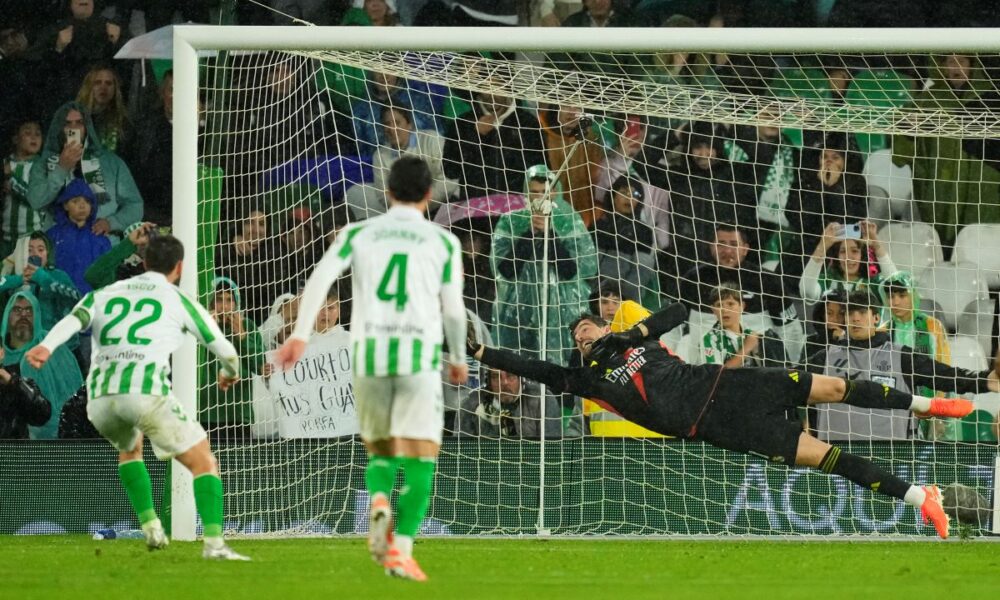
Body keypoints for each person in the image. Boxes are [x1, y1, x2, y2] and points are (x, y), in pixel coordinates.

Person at [468, 302, 1000, 539]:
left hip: (722, 382)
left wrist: (632, 334)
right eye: (580, 335)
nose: (586, 335)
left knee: (833, 386)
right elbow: (531, 366)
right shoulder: (582, 379)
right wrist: (485, 352)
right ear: (576, 348)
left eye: (591, 327)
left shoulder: (635, 339)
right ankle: (922, 498)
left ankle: (928, 405)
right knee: (825, 458)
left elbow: (677, 311)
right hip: (717, 427)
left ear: (604, 327)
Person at [275, 156, 468, 581]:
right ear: (429, 195)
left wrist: (300, 335)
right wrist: (457, 357)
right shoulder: (443, 242)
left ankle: (379, 500)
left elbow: (320, 279)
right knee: (421, 456)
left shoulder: (358, 232)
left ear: (387, 191)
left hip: (368, 354)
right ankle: (401, 549)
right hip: (416, 357)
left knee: (381, 449)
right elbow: (453, 310)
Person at [26, 235, 250, 560]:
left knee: (130, 449)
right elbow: (227, 352)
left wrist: (47, 346)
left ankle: (151, 528)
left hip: (100, 400)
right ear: (179, 267)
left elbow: (76, 320)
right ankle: (215, 545)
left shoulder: (106, 293)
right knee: (203, 461)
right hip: (145, 393)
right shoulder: (178, 299)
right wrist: (229, 374)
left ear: (143, 263)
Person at [805, 290, 987, 442]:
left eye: (861, 312)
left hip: (893, 458)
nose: (856, 319)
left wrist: (985, 381)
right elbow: (789, 384)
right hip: (836, 459)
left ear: (876, 317)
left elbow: (946, 376)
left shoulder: (902, 356)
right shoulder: (825, 358)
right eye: (850, 313)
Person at [490, 165, 597, 364]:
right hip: (521, 310)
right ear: (526, 193)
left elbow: (574, 270)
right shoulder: (511, 220)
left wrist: (550, 235)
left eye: (545, 192)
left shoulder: (568, 220)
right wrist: (530, 234)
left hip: (564, 308)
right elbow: (504, 269)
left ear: (555, 192)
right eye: (534, 192)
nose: (540, 198)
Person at [27, 102, 143, 235]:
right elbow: (35, 201)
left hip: (101, 244)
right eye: (67, 123)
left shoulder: (111, 162)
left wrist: (111, 222)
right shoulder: (43, 164)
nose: (74, 128)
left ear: (87, 127)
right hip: (59, 243)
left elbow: (135, 204)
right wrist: (61, 169)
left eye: (79, 123)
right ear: (58, 128)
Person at [1, 291, 82, 439]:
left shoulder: (52, 348)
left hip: (50, 446)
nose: (23, 315)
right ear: (7, 315)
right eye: (17, 310)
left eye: (29, 310)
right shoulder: (2, 356)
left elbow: (69, 400)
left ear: (37, 315)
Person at [199, 277, 267, 440]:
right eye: (219, 300)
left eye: (229, 300)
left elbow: (260, 366)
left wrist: (242, 336)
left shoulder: (248, 326)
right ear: (210, 303)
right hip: (205, 412)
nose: (224, 306)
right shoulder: (199, 325)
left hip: (238, 413)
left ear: (236, 303)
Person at [799, 220, 898, 304]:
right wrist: (823, 244)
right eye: (842, 251)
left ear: (863, 255)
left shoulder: (873, 283)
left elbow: (897, 286)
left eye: (854, 251)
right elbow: (807, 293)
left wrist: (876, 244)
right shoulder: (828, 280)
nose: (848, 258)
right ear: (836, 256)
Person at [456, 367, 562, 439]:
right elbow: (462, 451)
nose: (504, 383)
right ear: (488, 383)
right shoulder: (471, 404)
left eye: (510, 375)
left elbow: (552, 449)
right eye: (496, 377)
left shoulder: (542, 399)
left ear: (521, 378)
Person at [46, 178, 111, 293]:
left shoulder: (101, 239)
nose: (82, 206)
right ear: (65, 205)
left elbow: (107, 277)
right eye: (75, 201)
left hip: (90, 302)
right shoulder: (52, 235)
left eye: (87, 201)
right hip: (59, 300)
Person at [702, 284, 786, 368]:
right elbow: (715, 376)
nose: (724, 310)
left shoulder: (752, 334)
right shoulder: (709, 340)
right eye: (719, 305)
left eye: (730, 304)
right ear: (713, 310)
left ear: (742, 306)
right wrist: (746, 348)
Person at [2, 119, 45, 258]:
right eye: (28, 133)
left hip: (31, 239)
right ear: (16, 139)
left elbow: (35, 198)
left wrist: (11, 179)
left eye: (38, 134)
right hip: (4, 238)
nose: (34, 137)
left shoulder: (42, 167)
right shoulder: (5, 163)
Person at [76, 64, 130, 154]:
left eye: (108, 83)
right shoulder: (75, 118)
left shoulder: (123, 123)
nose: (103, 88)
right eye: (97, 83)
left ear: (115, 89)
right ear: (89, 87)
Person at [0, 344, 49, 439]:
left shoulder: (18, 378)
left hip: (13, 452)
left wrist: (14, 382)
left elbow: (42, 415)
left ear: (2, 353)